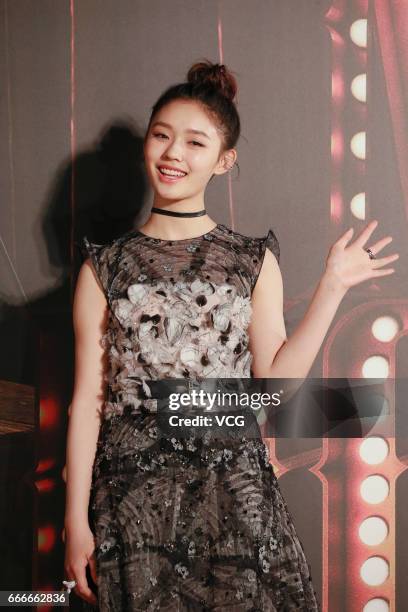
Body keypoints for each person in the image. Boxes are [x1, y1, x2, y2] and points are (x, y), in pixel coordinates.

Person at [63, 60, 398, 611]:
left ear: (224, 161)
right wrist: (76, 522)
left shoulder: (250, 261)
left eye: (195, 142)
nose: (173, 154)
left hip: (232, 490)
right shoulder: (106, 268)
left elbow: (279, 387)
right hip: (131, 498)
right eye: (162, 136)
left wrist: (332, 286)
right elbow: (87, 403)